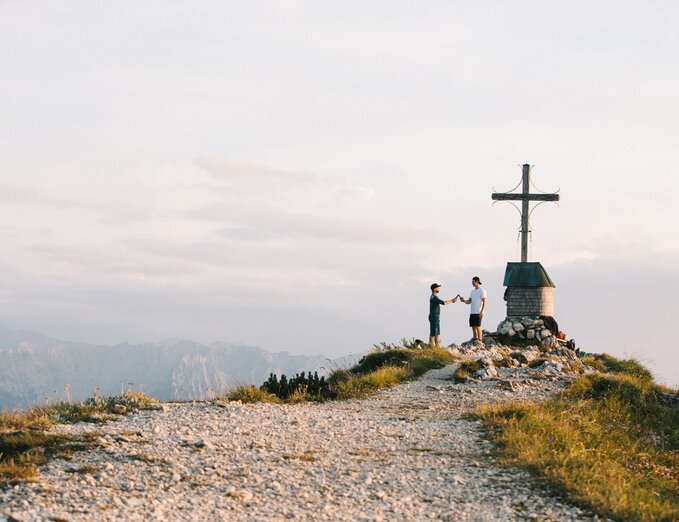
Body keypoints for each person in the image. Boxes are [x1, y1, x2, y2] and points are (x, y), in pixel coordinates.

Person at [429, 283, 458, 348]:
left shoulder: (432, 297)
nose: (439, 289)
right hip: (434, 317)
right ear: (434, 289)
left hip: (433, 316)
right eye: (438, 287)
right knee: (435, 333)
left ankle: (432, 347)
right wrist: (452, 301)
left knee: (433, 332)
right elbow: (444, 303)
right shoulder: (434, 298)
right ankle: (436, 347)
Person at [459, 276, 487, 341]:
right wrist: (463, 300)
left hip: (479, 311)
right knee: (473, 326)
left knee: (478, 326)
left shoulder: (482, 290)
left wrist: (482, 312)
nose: (472, 283)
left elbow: (485, 302)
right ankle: (475, 338)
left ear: (477, 282)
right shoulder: (472, 292)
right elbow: (469, 301)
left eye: (473, 282)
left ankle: (480, 340)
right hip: (472, 311)